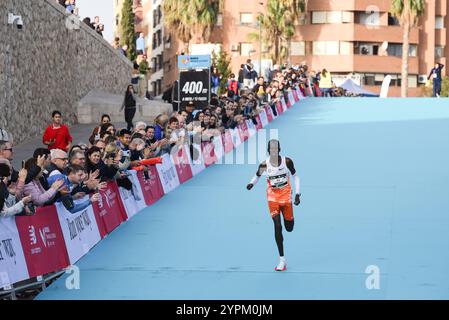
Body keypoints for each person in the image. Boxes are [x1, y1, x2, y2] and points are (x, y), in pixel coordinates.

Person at [246, 139, 301, 271]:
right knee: (277, 226)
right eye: (272, 149)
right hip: (272, 197)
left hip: (286, 196)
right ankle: (282, 260)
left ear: (279, 150)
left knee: (289, 228)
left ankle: (290, 220)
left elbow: (296, 177)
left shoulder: (287, 161)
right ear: (268, 150)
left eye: (276, 149)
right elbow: (257, 175)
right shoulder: (264, 164)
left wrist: (298, 194)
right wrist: (251, 183)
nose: (274, 151)